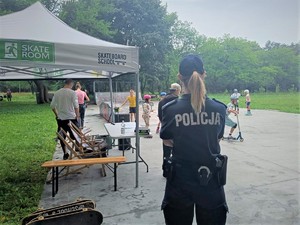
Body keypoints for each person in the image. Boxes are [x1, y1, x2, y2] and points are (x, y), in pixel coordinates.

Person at [160, 54, 228, 225]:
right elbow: (217, 138)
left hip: (180, 180)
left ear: (179, 77)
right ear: (204, 74)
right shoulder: (219, 109)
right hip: (211, 179)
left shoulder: (170, 109)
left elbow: (167, 141)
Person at [50, 79, 80, 160]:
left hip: (61, 119)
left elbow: (52, 106)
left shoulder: (57, 93)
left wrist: (57, 115)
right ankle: (78, 148)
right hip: (71, 118)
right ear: (71, 84)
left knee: (62, 136)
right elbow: (76, 106)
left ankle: (65, 153)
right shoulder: (72, 93)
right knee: (76, 135)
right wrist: (77, 116)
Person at [158, 83, 181, 177]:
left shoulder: (162, 101)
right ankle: (176, 171)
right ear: (177, 90)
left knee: (166, 152)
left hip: (166, 128)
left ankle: (166, 170)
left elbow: (160, 115)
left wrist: (164, 123)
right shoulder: (178, 101)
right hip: (177, 130)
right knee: (177, 151)